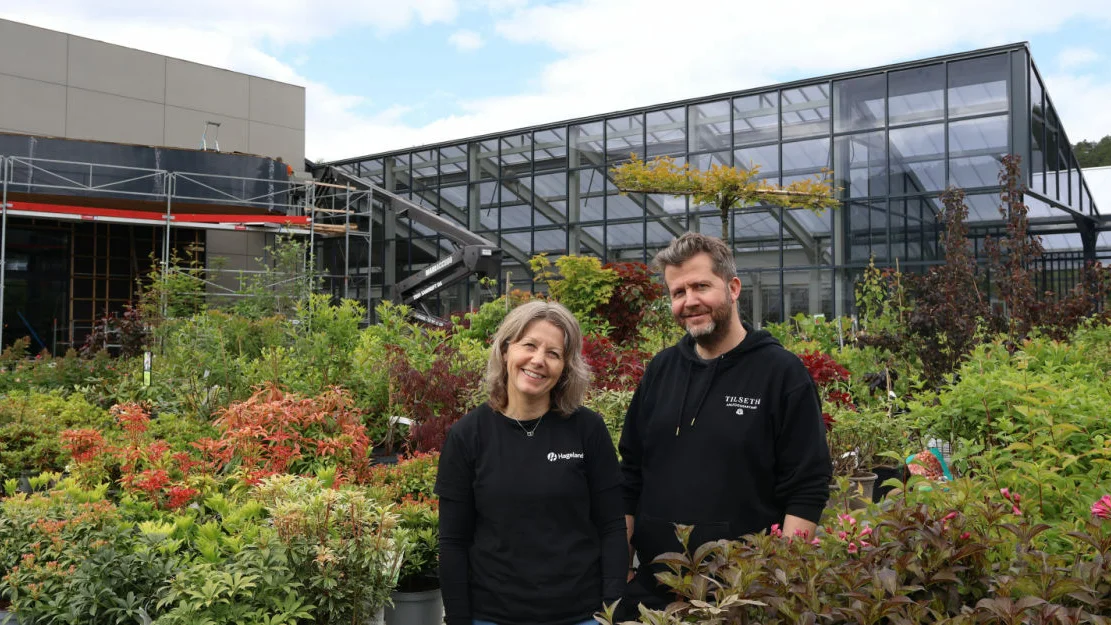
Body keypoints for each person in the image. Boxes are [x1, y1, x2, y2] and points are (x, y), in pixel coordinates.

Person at [619, 232, 831, 612]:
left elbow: (807, 487)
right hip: (654, 592)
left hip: (741, 596)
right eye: (678, 292)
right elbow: (631, 472)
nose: (689, 301)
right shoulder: (661, 370)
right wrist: (619, 568)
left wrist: (775, 585)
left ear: (733, 288)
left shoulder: (781, 374)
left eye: (701, 286)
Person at [436, 300, 627, 625]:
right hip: (493, 617)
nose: (538, 360)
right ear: (506, 350)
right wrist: (458, 619)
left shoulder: (587, 430)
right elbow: (453, 541)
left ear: (566, 367)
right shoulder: (468, 436)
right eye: (529, 346)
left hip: (580, 616)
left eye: (553, 353)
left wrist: (613, 612)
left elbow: (612, 527)